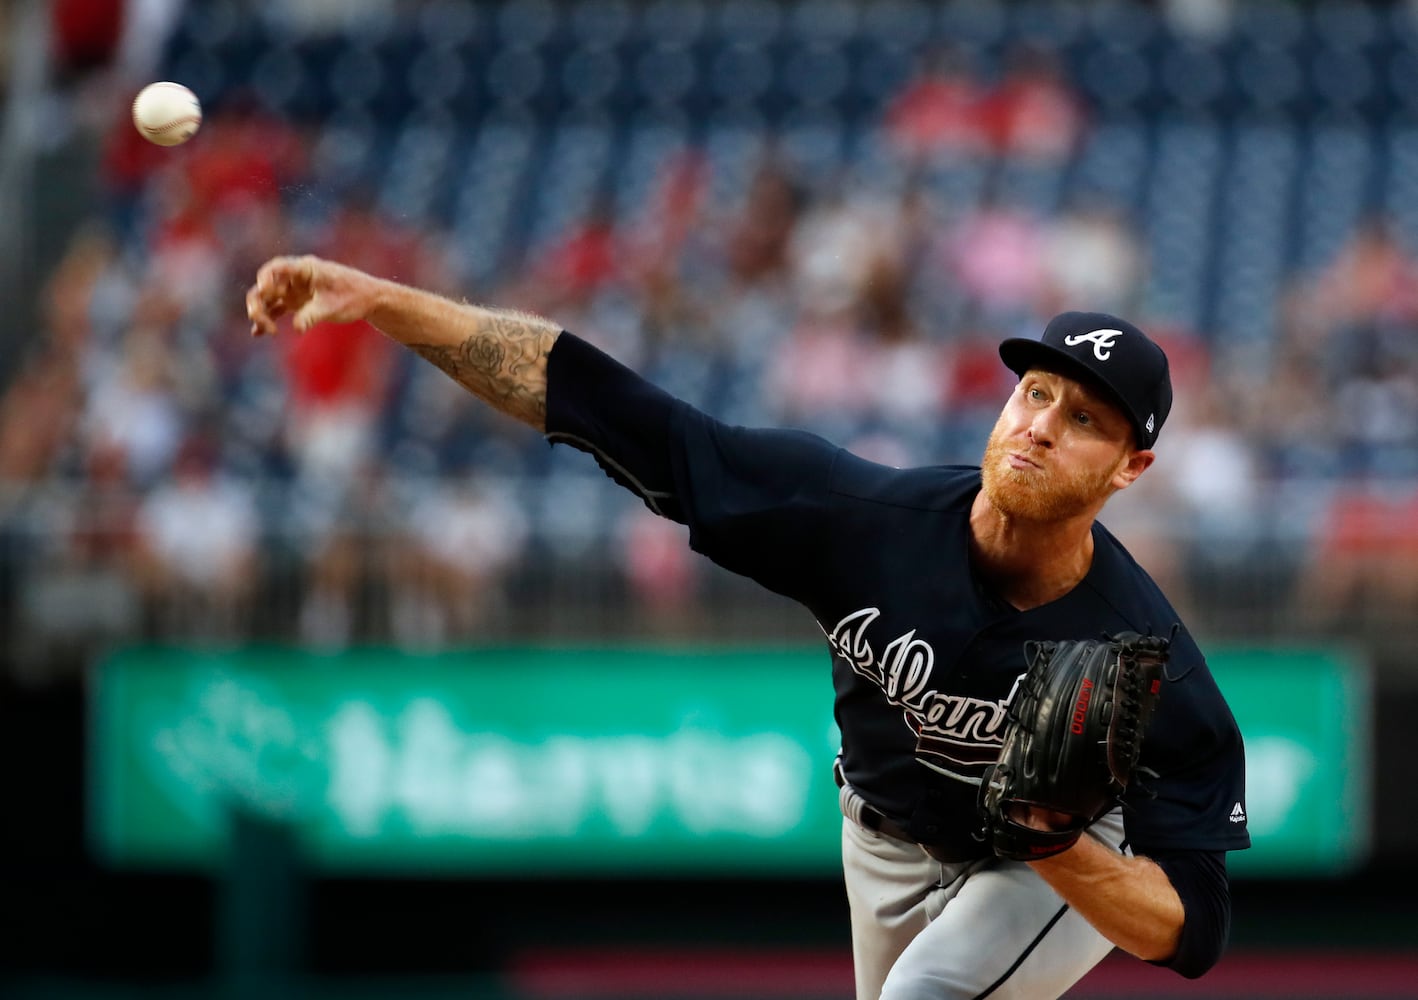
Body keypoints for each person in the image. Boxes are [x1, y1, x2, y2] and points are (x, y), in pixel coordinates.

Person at [245, 256, 1250, 1000]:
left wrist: (1059, 846)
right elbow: (608, 406)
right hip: (883, 838)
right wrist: (383, 301)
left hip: (1049, 862)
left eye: (1083, 418)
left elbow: (1194, 926)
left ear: (1130, 469)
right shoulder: (860, 521)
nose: (1037, 423)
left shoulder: (1134, 657)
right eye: (1034, 392)